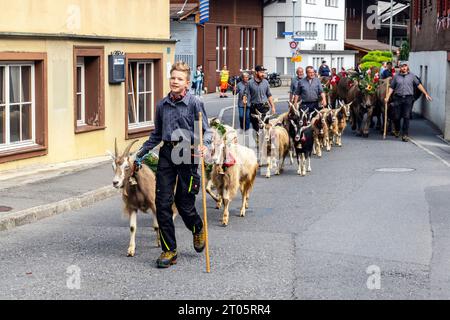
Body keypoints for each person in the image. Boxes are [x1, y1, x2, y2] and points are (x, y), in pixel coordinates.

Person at [134, 61, 211, 268]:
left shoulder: (195, 103)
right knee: (162, 203)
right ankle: (169, 250)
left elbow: (206, 131)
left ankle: (197, 227)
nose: (175, 81)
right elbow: (156, 135)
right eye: (173, 78)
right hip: (167, 153)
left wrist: (206, 146)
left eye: (179, 79)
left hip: (188, 152)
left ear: (187, 83)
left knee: (185, 204)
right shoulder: (162, 105)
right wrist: (139, 154)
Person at [385, 62, 432, 142]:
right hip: (398, 98)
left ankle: (405, 134)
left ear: (407, 67)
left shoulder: (412, 76)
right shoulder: (396, 77)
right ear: (400, 68)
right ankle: (397, 129)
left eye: (405, 66)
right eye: (402, 66)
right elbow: (391, 88)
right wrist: (387, 97)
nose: (403, 68)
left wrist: (426, 93)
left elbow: (418, 85)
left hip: (408, 98)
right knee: (397, 117)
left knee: (406, 117)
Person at [248, 65, 276, 132]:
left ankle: (265, 141)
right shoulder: (250, 83)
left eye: (263, 72)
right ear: (256, 72)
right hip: (254, 108)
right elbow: (246, 94)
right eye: (261, 72)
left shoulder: (266, 82)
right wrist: (244, 99)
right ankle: (258, 140)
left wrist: (273, 107)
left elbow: (269, 95)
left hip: (264, 107)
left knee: (265, 127)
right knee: (256, 127)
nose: (263, 74)